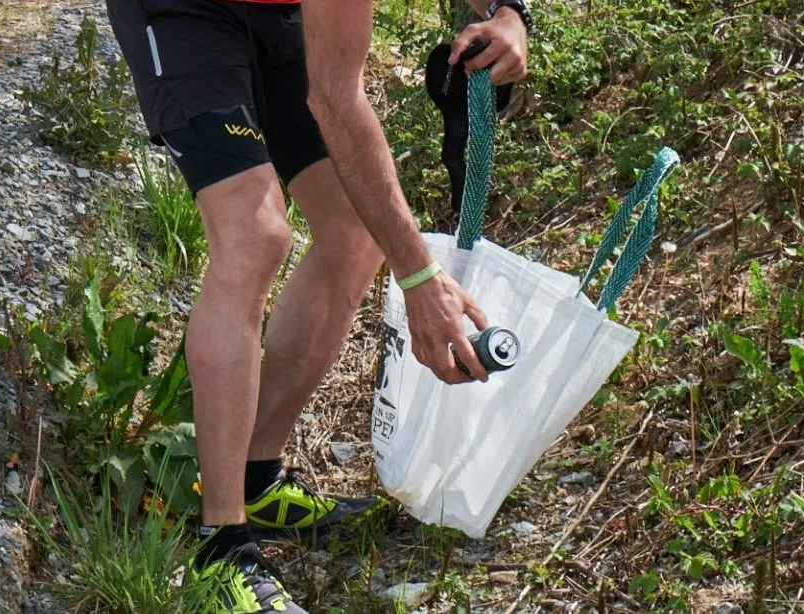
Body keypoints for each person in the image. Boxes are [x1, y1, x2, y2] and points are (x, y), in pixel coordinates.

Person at [105, 0, 529, 610]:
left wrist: (507, 13)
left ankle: (256, 479)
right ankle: (217, 546)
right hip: (184, 13)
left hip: (275, 13)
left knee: (355, 232)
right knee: (254, 236)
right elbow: (335, 97)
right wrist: (419, 278)